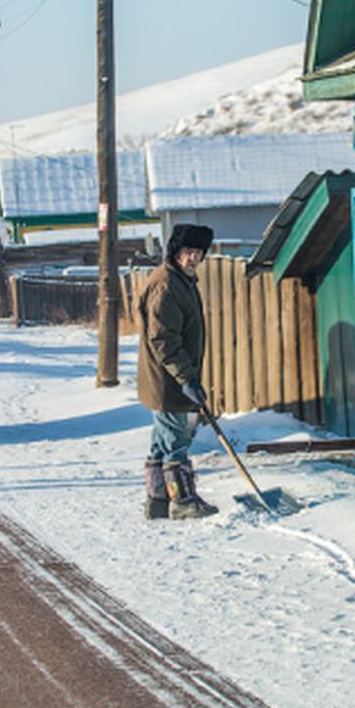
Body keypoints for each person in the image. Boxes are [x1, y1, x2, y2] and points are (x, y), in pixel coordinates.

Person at [137, 223, 219, 520]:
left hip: (168, 376)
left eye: (198, 252)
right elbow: (164, 339)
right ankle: (182, 500)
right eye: (188, 252)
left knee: (162, 441)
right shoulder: (167, 286)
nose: (193, 258)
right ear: (175, 252)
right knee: (175, 440)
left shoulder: (180, 281)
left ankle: (158, 500)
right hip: (167, 378)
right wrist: (186, 377)